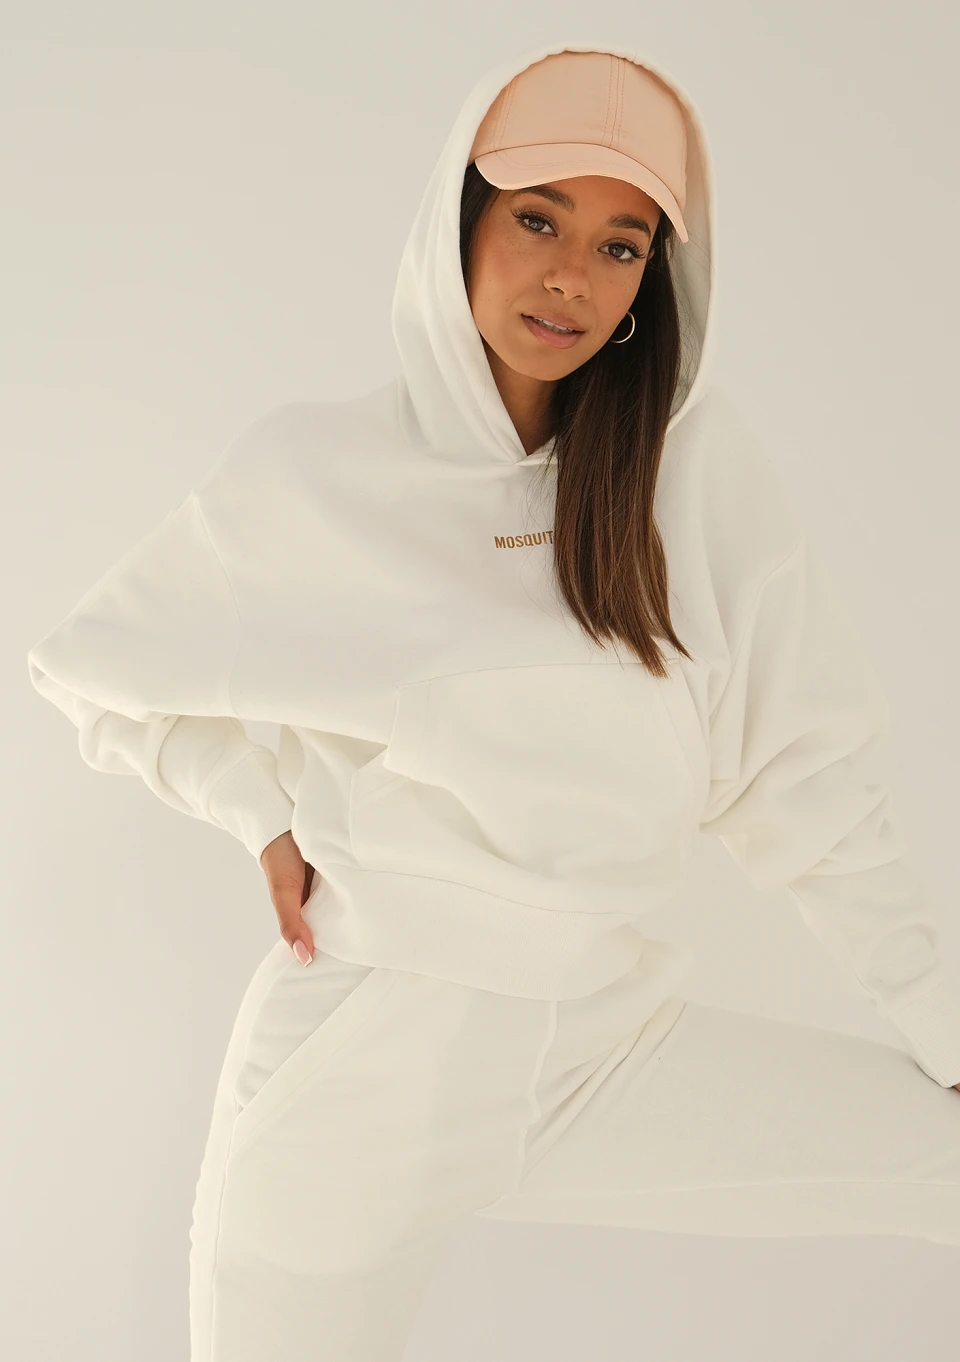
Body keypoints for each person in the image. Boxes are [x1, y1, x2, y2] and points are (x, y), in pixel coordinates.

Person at [26, 37, 960, 1362]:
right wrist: (255, 808)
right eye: (537, 218)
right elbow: (91, 667)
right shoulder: (319, 477)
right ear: (458, 218)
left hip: (603, 1048)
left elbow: (811, 794)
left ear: (654, 279)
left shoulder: (692, 478)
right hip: (356, 1076)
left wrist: (946, 1030)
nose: (572, 273)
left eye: (621, 244)